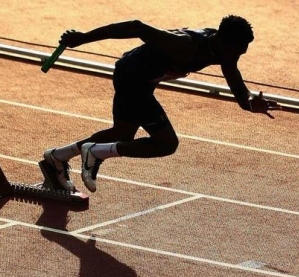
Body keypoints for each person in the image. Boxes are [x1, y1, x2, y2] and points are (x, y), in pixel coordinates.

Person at [43, 16, 281, 192]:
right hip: (132, 78)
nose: (236, 58)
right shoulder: (185, 43)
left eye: (241, 53)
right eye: (236, 51)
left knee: (122, 134)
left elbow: (238, 87)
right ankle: (95, 152)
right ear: (222, 41)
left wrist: (251, 102)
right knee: (166, 143)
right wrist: (83, 38)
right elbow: (136, 26)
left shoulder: (223, 51)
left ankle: (57, 157)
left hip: (141, 81)